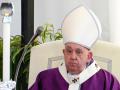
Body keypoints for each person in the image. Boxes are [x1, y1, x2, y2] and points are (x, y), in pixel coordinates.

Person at [29, 6, 120, 90]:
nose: (73, 56)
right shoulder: (45, 79)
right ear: (64, 53)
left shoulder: (107, 81)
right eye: (69, 51)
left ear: (89, 56)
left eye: (78, 52)